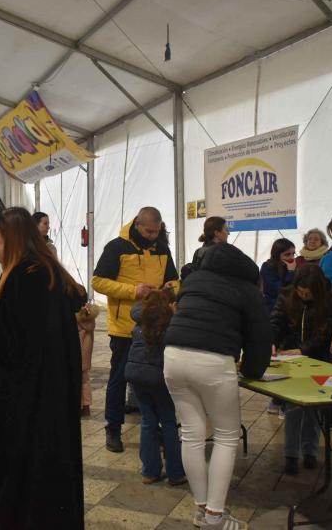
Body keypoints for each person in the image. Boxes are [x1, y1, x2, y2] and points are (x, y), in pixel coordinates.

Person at [0, 207, 85, 529]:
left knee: (31, 479)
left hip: (31, 405)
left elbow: (10, 346)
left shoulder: (23, 279)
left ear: (10, 238)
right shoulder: (46, 273)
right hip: (53, 396)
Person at [163, 242, 271, 530]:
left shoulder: (194, 279)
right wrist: (251, 371)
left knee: (191, 434)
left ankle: (201, 510)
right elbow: (260, 338)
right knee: (226, 437)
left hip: (172, 356)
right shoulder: (248, 289)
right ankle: (215, 517)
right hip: (213, 361)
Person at [92, 207, 179, 452]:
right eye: (149, 231)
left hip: (155, 326)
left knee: (157, 378)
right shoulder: (117, 247)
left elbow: (174, 278)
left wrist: (168, 288)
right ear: (138, 225)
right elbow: (98, 281)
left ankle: (158, 427)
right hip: (124, 327)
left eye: (157, 231)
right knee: (119, 377)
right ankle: (113, 429)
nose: (153, 236)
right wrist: (134, 291)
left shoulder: (162, 248)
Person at [270, 265, 332, 475]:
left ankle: (310, 452)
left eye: (308, 294)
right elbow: (275, 323)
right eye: (300, 292)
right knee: (294, 408)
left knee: (314, 409)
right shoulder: (286, 298)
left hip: (317, 361)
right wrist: (272, 341)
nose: (303, 296)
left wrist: (303, 349)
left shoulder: (329, 303)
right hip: (290, 362)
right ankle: (291, 455)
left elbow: (325, 335)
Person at [124, 288, 186, 486]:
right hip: (159, 377)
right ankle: (175, 474)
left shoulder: (139, 322)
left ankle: (150, 472)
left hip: (136, 375)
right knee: (168, 421)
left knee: (148, 421)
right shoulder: (169, 325)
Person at [260, 238, 296, 313]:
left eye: (293, 254)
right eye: (287, 254)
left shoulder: (291, 266)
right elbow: (279, 289)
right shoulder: (267, 267)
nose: (292, 257)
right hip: (273, 309)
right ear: (277, 255)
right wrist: (290, 272)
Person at [76, 302, 99, 416]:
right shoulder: (89, 318)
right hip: (86, 356)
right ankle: (86, 407)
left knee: (76, 379)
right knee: (85, 379)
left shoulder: (76, 320)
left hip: (76, 355)